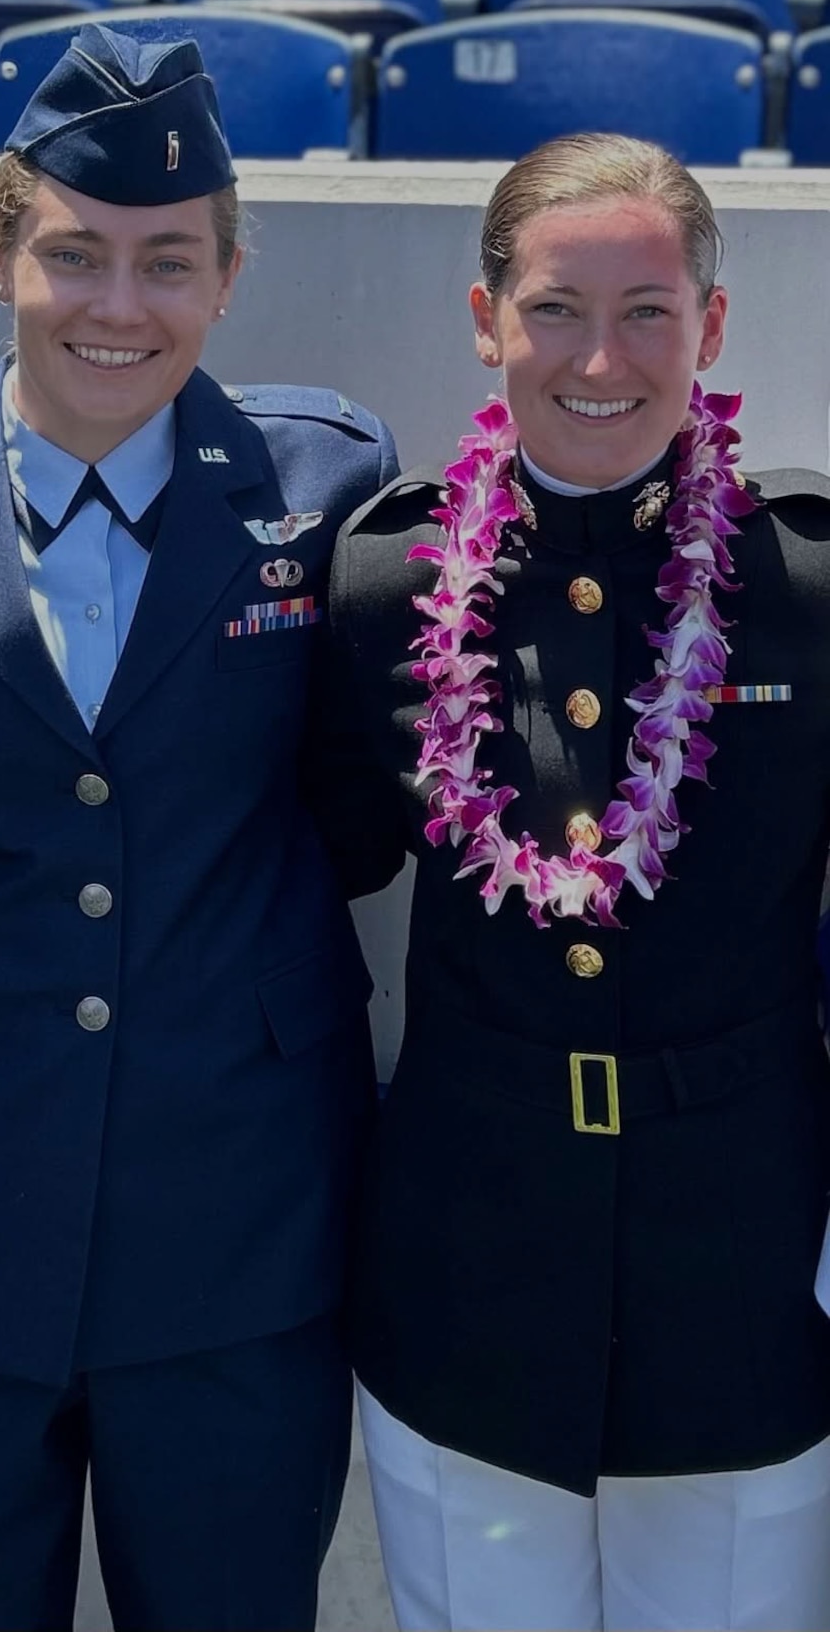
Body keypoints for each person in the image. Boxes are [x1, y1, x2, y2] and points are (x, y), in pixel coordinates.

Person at [0, 24, 400, 1632]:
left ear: (227, 273)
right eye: (75, 254)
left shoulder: (325, 487)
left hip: (241, 1229)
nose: (120, 307)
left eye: (167, 262)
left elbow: (355, 808)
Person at [331, 133, 830, 1632]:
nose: (597, 357)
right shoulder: (383, 587)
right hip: (470, 1267)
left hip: (740, 1270)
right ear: (484, 320)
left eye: (648, 311)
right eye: (553, 307)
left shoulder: (806, 583)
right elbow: (324, 875)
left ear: (714, 329)